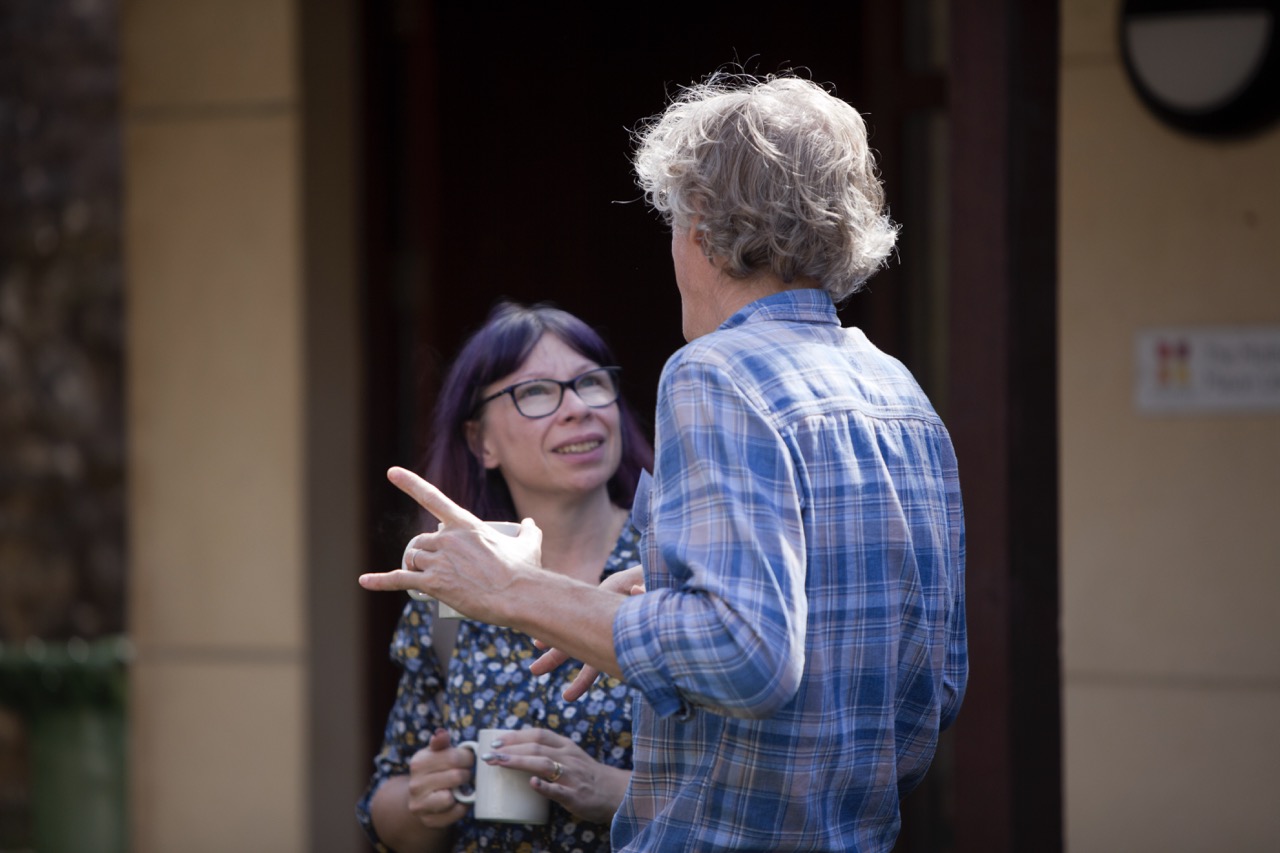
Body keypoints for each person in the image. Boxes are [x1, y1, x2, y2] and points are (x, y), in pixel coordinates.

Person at [361, 71, 967, 852]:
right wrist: (675, 607)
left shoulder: (716, 369)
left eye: (674, 219)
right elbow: (935, 687)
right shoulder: (897, 389)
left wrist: (513, 590)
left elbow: (746, 655)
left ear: (705, 228)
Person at [356, 301, 654, 852]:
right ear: (480, 442)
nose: (577, 409)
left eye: (591, 383)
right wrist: (427, 799)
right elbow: (385, 811)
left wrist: (614, 792)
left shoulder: (673, 567)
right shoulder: (449, 584)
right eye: (536, 392)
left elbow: (763, 794)